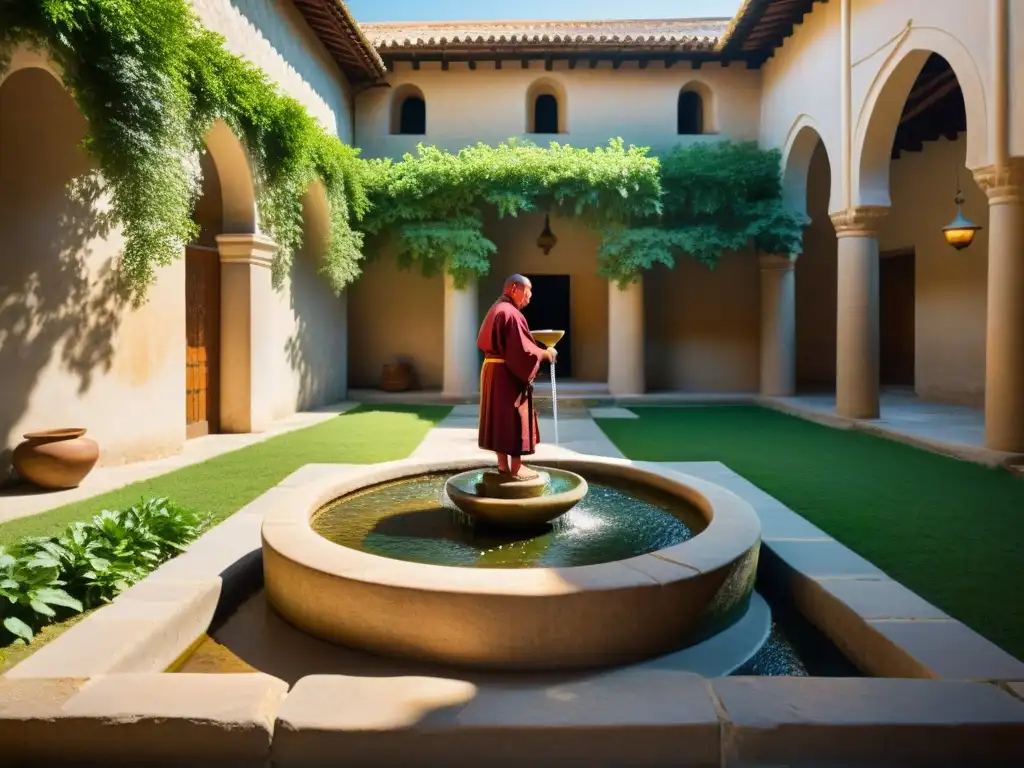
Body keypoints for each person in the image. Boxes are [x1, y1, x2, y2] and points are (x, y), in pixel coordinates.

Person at [477, 274, 557, 480]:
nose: (529, 297)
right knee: (514, 416)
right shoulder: (511, 313)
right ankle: (517, 467)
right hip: (507, 373)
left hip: (493, 371)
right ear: (514, 289)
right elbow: (523, 352)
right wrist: (546, 354)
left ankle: (503, 465)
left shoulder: (496, 309)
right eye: (528, 291)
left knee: (499, 417)